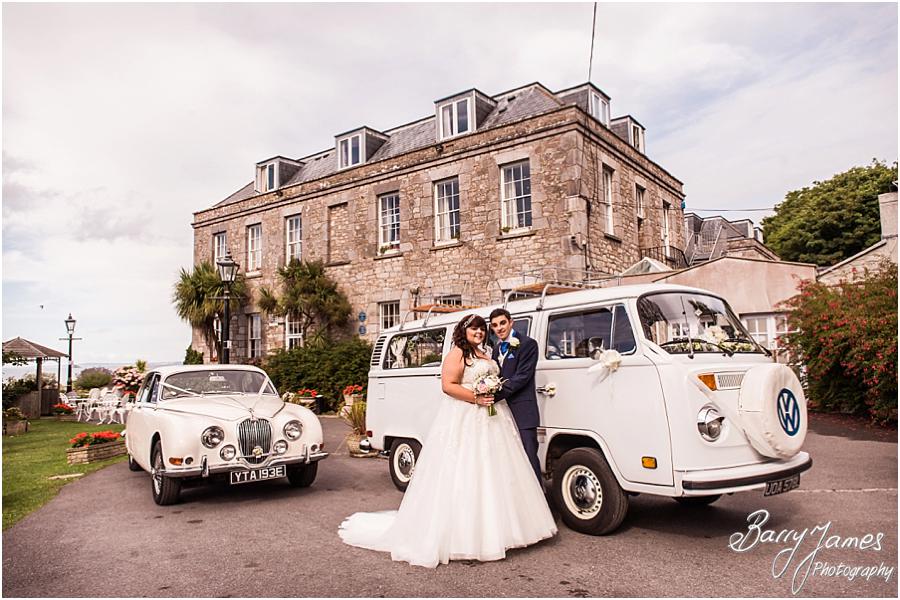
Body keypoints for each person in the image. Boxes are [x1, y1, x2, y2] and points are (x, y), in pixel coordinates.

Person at [338, 314, 557, 568]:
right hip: (467, 415)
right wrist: (477, 397)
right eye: (473, 329)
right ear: (463, 332)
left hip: (494, 418)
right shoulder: (457, 353)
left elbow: (502, 378)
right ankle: (469, 536)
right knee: (466, 470)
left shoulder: (488, 352)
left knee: (497, 472)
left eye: (480, 329)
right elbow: (448, 385)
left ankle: (508, 528)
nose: (479, 332)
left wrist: (491, 391)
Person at [488, 308, 542, 482]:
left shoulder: (528, 344)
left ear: (511, 322)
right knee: (509, 458)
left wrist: (496, 394)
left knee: (528, 456)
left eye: (502, 323)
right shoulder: (496, 350)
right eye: (495, 325)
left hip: (523, 411)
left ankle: (538, 499)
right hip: (502, 413)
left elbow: (523, 376)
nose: (500, 328)